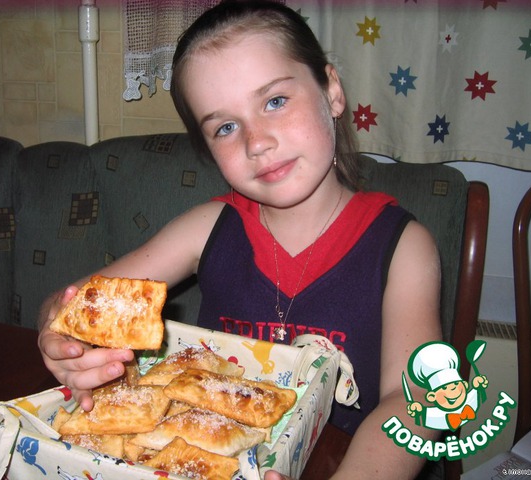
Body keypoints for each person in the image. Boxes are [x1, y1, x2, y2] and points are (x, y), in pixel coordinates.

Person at [38, 1, 442, 478]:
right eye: (226, 127)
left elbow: (418, 401)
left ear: (331, 90)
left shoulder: (403, 247)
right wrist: (63, 342)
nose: (256, 141)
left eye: (274, 101)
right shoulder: (209, 227)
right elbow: (70, 306)